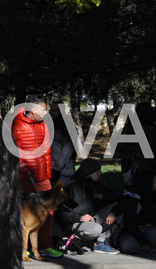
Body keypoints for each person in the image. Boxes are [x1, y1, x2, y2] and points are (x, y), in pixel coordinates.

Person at [12, 96, 63, 259]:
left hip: (42, 177)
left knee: (49, 212)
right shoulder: (15, 124)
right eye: (43, 109)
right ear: (33, 111)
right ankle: (22, 247)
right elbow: (11, 150)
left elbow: (46, 150)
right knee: (22, 214)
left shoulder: (43, 125)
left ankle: (45, 245)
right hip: (23, 177)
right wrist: (21, 166)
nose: (45, 113)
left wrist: (47, 173)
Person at [55, 158, 122, 254]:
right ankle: (71, 239)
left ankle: (101, 242)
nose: (101, 173)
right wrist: (79, 217)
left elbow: (117, 197)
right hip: (73, 223)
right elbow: (61, 214)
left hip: (92, 219)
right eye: (98, 171)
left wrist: (113, 212)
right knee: (96, 229)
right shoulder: (72, 187)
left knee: (118, 207)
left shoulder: (96, 186)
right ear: (90, 172)